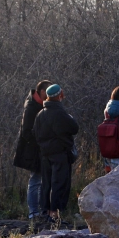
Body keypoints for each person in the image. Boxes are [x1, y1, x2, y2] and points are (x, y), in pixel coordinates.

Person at [32, 84, 80, 228]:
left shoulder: (40, 114)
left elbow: (35, 133)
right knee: (59, 183)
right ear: (60, 95)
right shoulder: (60, 113)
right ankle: (55, 215)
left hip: (45, 154)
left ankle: (45, 212)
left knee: (46, 183)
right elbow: (74, 128)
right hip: (60, 154)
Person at [13, 80, 51, 225]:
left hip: (38, 148)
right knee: (35, 180)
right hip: (32, 150)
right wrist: (41, 141)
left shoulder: (39, 105)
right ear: (41, 91)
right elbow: (26, 132)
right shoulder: (31, 107)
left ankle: (40, 212)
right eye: (47, 92)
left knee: (41, 180)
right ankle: (33, 213)